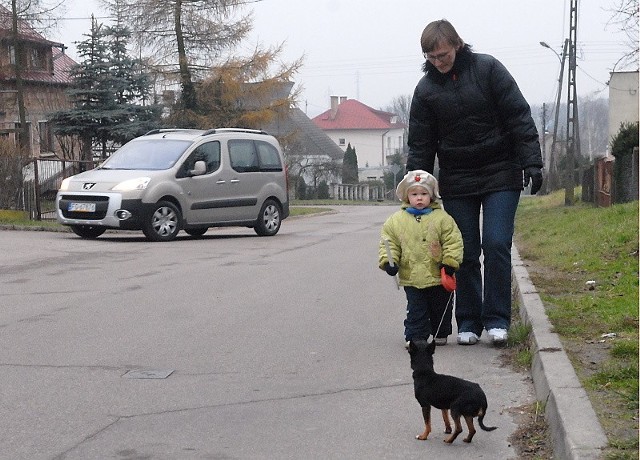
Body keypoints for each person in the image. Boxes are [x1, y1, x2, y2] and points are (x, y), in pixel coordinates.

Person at [405, 19, 543, 346]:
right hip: (458, 178)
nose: (438, 62)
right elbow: (421, 145)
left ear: (457, 44)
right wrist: (416, 185)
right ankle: (468, 320)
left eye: (443, 54)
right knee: (463, 251)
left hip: (500, 171)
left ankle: (497, 319)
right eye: (431, 57)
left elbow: (518, 116)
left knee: (496, 243)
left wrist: (532, 161)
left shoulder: (488, 69)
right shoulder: (425, 91)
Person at [379, 170, 463, 347]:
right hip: (412, 276)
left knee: (440, 307)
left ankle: (440, 331)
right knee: (416, 309)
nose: (419, 198)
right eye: (414, 194)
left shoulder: (442, 219)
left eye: (424, 194)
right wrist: (389, 261)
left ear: (431, 196)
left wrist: (450, 262)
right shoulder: (396, 221)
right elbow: (389, 242)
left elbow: (452, 241)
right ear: (406, 196)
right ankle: (416, 336)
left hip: (438, 275)